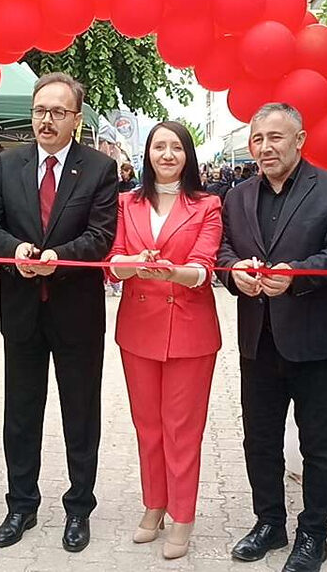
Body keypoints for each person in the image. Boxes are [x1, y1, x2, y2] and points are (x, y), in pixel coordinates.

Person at [217, 103, 327, 572]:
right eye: (258, 139)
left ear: (300, 140)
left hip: (317, 341)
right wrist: (232, 271)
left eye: (276, 138)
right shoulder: (237, 195)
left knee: (319, 443)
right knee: (258, 439)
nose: (265, 148)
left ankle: (313, 533)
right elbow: (223, 249)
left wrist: (297, 275)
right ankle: (269, 522)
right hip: (257, 339)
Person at [0, 72, 118, 552]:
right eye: (40, 111)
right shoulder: (9, 165)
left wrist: (57, 262)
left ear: (76, 120)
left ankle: (79, 508)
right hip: (21, 311)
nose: (46, 120)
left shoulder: (99, 168)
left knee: (80, 415)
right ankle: (21, 505)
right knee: (20, 414)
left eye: (58, 112)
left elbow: (101, 236)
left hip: (75, 311)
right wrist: (15, 249)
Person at [106, 121, 222, 560]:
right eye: (159, 146)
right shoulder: (126, 203)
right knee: (148, 427)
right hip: (138, 328)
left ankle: (183, 516)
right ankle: (154, 504)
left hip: (190, 330)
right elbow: (113, 261)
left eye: (176, 147)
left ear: (188, 155)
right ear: (147, 154)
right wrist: (132, 263)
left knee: (182, 429)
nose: (167, 154)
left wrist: (174, 271)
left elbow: (205, 265)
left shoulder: (207, 204)